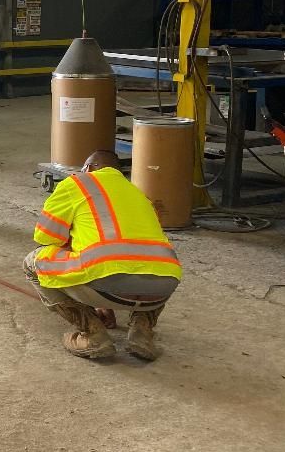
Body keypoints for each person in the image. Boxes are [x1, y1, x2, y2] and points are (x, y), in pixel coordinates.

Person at [23, 150, 183, 361]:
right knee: (149, 264)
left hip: (108, 281)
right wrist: (101, 302)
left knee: (33, 262)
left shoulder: (78, 183)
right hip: (163, 287)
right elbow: (126, 254)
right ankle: (142, 333)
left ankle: (92, 333)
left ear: (89, 168)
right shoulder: (139, 194)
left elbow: (46, 236)